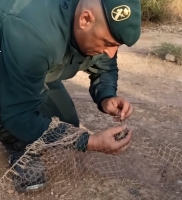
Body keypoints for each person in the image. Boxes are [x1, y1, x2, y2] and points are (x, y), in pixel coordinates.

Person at [0, 0, 141, 192]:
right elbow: (19, 115)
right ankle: (16, 142)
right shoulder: (34, 34)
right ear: (85, 19)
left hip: (31, 66)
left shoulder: (100, 26)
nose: (111, 52)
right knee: (19, 119)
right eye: (108, 43)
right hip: (10, 62)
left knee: (66, 124)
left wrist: (107, 96)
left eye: (116, 45)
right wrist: (89, 142)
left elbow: (106, 66)